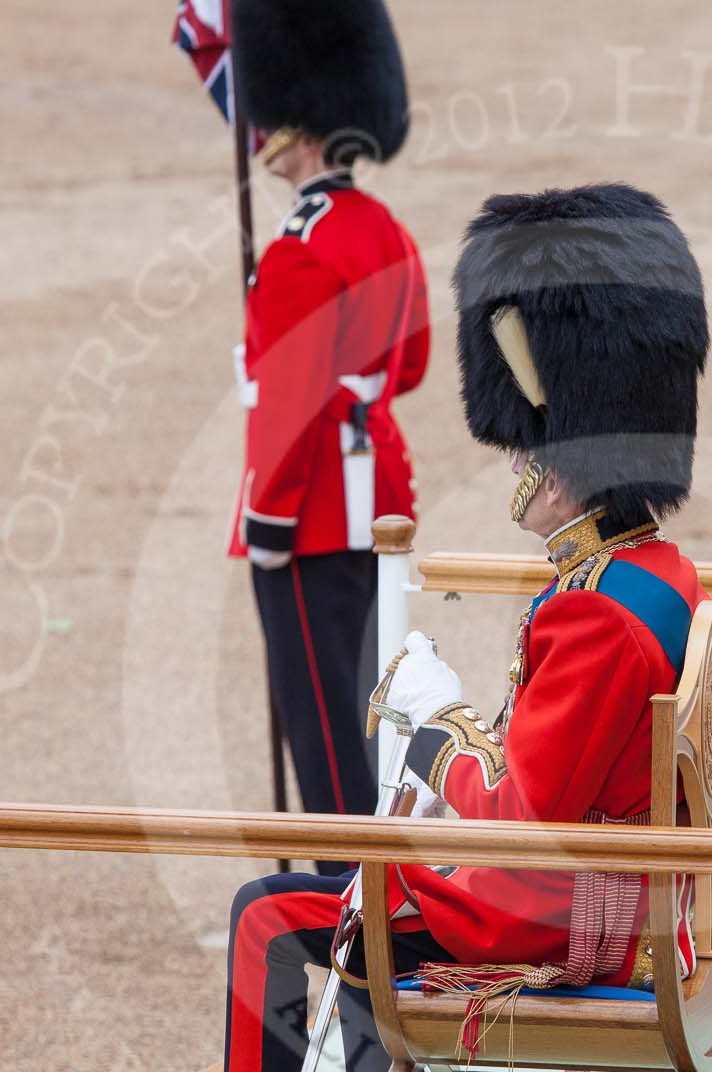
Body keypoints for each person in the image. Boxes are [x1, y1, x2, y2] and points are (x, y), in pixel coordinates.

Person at [109, 183, 712, 1072]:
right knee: (362, 885)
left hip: (557, 914)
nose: (514, 472)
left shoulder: (591, 610)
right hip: (609, 889)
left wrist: (433, 734)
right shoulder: (656, 575)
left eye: (529, 454)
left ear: (569, 466)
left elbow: (516, 822)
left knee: (275, 914)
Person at [230, 0, 428, 869]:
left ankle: (353, 917)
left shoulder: (298, 247)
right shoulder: (385, 230)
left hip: (309, 515)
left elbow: (286, 410)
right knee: (372, 709)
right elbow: (412, 362)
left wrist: (266, 528)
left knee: (324, 735)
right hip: (379, 494)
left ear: (300, 130)